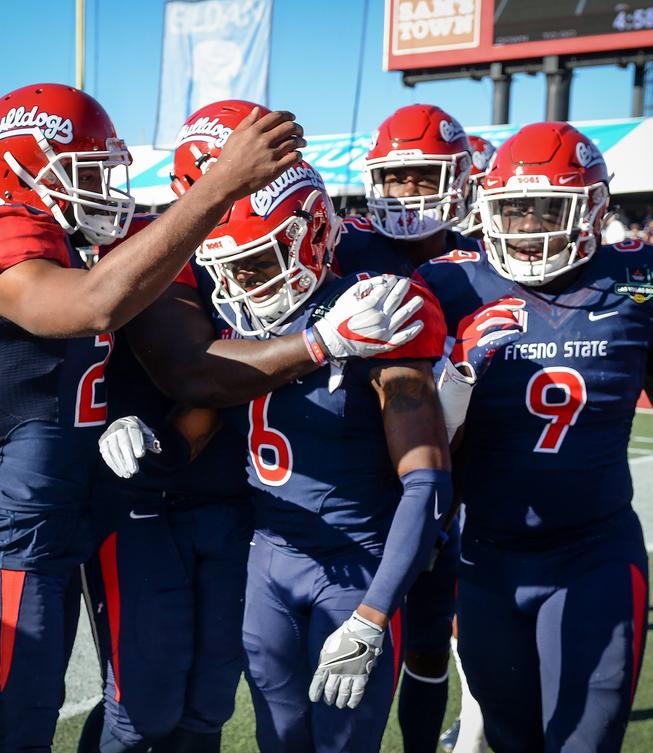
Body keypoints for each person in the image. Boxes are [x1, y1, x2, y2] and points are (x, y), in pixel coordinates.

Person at [0, 82, 307, 753]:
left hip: (65, 521)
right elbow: (92, 306)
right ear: (24, 169)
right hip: (8, 531)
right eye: (88, 170)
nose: (107, 187)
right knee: (17, 736)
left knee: (92, 705)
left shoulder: (72, 240)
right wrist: (217, 185)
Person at [79, 101, 426, 753]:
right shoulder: (161, 251)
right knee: (143, 705)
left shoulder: (307, 230)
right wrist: (321, 341)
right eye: (250, 174)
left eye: (277, 169)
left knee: (212, 703)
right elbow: (199, 376)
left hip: (254, 511)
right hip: (156, 503)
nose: (267, 191)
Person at [415, 122, 653, 753]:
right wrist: (457, 378)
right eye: (513, 210)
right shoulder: (453, 283)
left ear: (595, 207)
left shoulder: (646, 279)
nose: (528, 228)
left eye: (547, 209)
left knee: (584, 742)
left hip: (593, 555)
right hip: (485, 557)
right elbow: (424, 446)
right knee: (511, 740)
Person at [150, 167, 452, 753]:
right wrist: (143, 440)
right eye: (227, 268)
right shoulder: (236, 318)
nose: (240, 284)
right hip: (268, 562)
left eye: (258, 263)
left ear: (310, 236)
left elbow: (428, 481)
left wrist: (373, 613)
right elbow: (196, 426)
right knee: (279, 739)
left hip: (357, 565)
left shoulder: (375, 308)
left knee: (345, 745)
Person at [334, 103, 488, 753]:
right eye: (394, 177)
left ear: (458, 177)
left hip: (451, 481)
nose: (405, 193)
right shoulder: (345, 245)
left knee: (428, 641)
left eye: (423, 176)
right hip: (355, 478)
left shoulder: (486, 260)